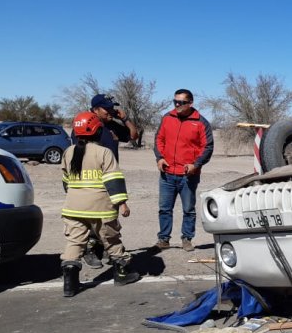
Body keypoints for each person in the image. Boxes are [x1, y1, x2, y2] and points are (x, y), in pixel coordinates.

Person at [61, 111, 140, 297]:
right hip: (100, 208)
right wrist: (122, 204)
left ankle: (70, 284)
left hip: (72, 207)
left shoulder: (68, 152)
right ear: (97, 131)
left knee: (74, 242)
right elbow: (113, 181)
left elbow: (66, 181)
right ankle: (121, 275)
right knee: (111, 240)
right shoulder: (104, 153)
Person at [73, 94, 139, 268]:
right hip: (92, 180)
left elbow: (133, 135)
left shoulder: (111, 125)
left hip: (109, 177)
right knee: (93, 217)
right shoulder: (85, 126)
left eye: (112, 108)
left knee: (109, 217)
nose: (111, 111)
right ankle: (91, 250)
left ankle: (110, 251)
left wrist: (125, 119)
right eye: (107, 109)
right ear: (95, 110)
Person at [153, 89, 214, 252]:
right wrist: (159, 158)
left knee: (188, 209)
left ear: (190, 103)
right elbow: (159, 139)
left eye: (181, 103)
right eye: (175, 102)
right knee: (164, 208)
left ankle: (187, 238)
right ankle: (163, 239)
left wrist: (196, 164)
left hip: (188, 176)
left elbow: (207, 147)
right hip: (167, 174)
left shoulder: (201, 122)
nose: (177, 105)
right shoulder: (167, 118)